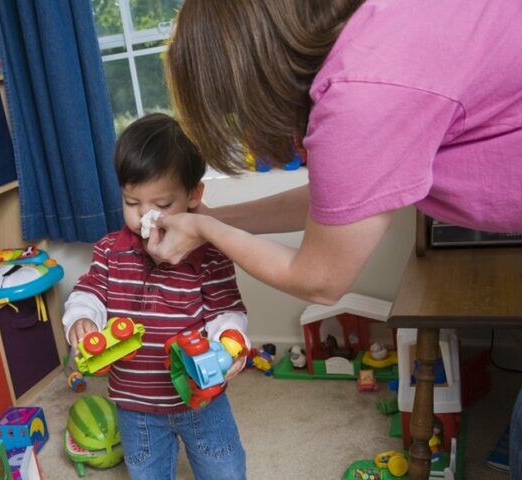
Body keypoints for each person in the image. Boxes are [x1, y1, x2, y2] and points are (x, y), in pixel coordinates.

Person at [145, 0, 522, 477]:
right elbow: (337, 201)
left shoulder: (360, 91)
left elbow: (321, 280)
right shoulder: (370, 48)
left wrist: (204, 229)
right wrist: (213, 218)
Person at [63, 113, 250, 480]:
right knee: (145, 470)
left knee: (223, 465)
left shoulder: (210, 255)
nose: (146, 216)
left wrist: (231, 338)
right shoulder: (109, 251)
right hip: (135, 404)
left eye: (162, 205)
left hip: (201, 400)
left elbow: (226, 309)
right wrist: (83, 317)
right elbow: (90, 291)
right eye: (133, 203)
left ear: (194, 195)